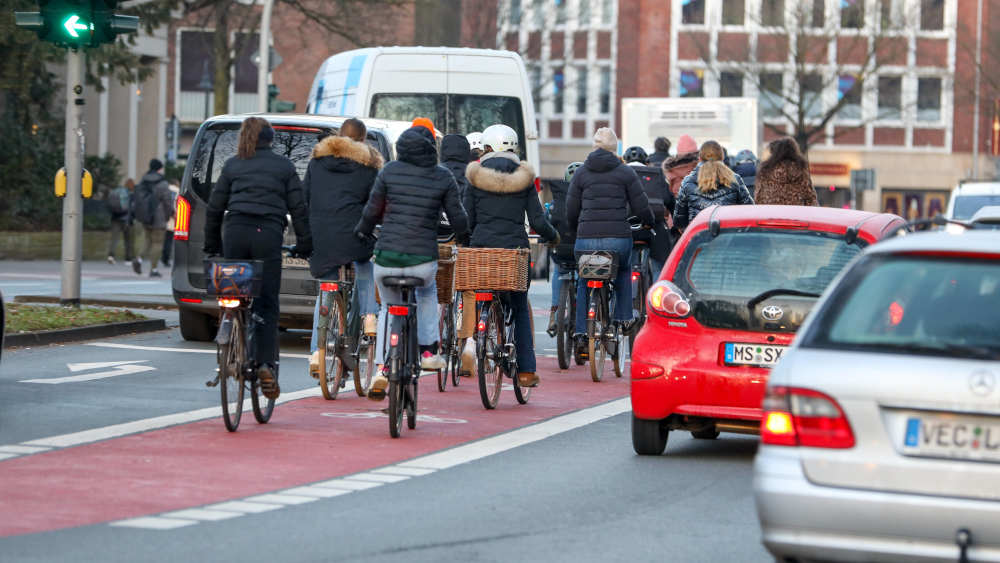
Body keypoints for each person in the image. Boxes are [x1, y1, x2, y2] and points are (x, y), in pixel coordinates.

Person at [355, 125, 469, 401]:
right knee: (429, 293)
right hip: (422, 259)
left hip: (387, 258)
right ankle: (428, 351)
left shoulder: (389, 171)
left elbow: (372, 210)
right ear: (432, 149)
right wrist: (465, 238)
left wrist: (362, 230)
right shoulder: (442, 176)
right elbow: (457, 215)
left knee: (388, 308)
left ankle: (383, 367)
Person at [204, 117, 312, 400]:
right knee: (266, 304)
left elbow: (215, 209)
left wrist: (211, 246)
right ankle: (265, 364)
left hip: (236, 233)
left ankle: (230, 326)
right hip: (267, 235)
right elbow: (298, 210)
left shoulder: (232, 165)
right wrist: (304, 244)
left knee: (232, 292)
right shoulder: (284, 167)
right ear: (271, 139)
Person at [464, 123, 558, 388]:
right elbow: (538, 221)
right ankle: (526, 371)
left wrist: (468, 241)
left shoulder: (475, 177)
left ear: (488, 148)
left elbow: (467, 219)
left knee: (483, 292)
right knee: (518, 306)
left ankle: (479, 332)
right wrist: (553, 237)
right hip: (514, 252)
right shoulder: (524, 178)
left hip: (482, 250)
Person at [304, 118, 383, 375]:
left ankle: (317, 351)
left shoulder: (316, 163)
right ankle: (369, 316)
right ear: (362, 140)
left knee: (326, 287)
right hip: (355, 232)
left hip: (322, 235)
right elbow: (375, 203)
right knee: (365, 264)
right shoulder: (368, 165)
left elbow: (306, 196)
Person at [567, 127, 654, 356]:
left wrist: (575, 228)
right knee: (624, 270)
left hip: (586, 239)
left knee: (585, 280)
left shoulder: (581, 173)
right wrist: (649, 222)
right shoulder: (625, 172)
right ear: (615, 149)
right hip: (618, 238)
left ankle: (580, 333)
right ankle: (623, 317)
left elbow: (571, 209)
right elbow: (640, 205)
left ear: (594, 147)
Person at [673, 140, 754, 232]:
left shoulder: (688, 181)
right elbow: (749, 210)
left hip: (698, 235)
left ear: (700, 158)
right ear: (722, 157)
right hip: (728, 235)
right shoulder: (735, 179)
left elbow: (679, 220)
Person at [545, 162, 582, 336]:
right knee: (585, 277)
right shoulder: (588, 197)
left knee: (558, 271)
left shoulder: (556, 199)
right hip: (582, 250)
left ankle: (554, 313)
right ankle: (584, 316)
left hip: (561, 250)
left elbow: (547, 222)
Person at [132, 159, 175, 277]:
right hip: (159, 218)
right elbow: (167, 201)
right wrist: (170, 215)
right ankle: (154, 269)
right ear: (159, 169)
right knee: (157, 244)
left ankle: (138, 259)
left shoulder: (143, 181)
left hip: (146, 217)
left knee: (147, 241)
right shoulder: (162, 183)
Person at [754, 137, 819, 206]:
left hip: (771, 214)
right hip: (796, 214)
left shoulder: (765, 171)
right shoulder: (801, 171)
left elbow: (758, 198)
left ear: (774, 153)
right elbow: (811, 200)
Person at [106, 178, 135, 265]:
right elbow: (133, 208)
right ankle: (128, 259)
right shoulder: (131, 194)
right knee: (128, 240)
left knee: (114, 239)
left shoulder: (116, 192)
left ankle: (111, 256)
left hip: (115, 218)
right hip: (127, 220)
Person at [160, 183, 179, 267]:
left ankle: (162, 257)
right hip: (172, 220)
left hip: (161, 218)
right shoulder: (178, 191)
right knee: (168, 241)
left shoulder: (165, 189)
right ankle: (166, 259)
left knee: (161, 240)